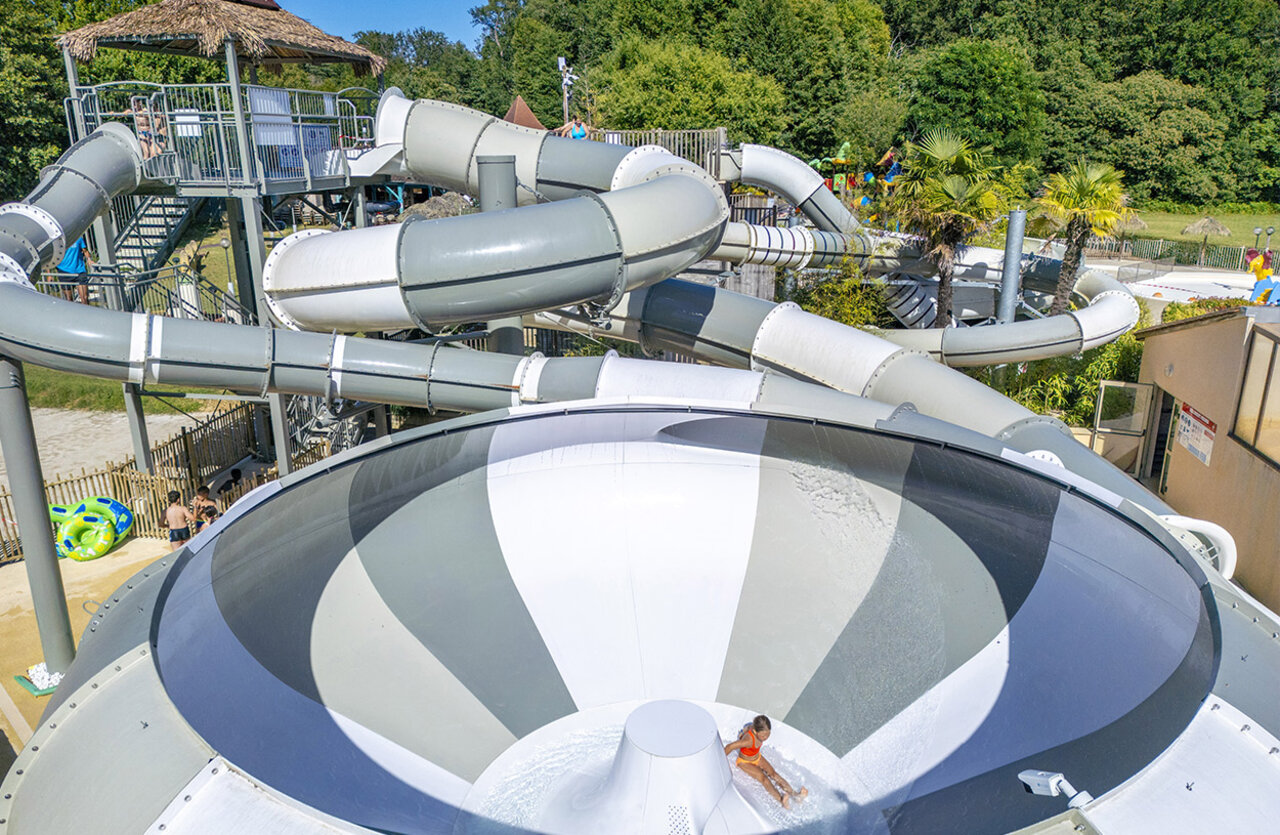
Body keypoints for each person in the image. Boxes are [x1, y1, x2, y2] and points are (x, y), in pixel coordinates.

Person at [724, 715, 808, 808]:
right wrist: (720, 759)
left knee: (773, 774)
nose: (766, 737)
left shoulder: (757, 729)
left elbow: (751, 726)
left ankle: (795, 796)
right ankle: (781, 800)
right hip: (744, 762)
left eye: (768, 735)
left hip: (756, 757)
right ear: (755, 732)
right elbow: (730, 746)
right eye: (763, 735)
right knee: (763, 778)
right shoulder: (748, 740)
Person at [55, 236, 92, 304]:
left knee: (84, 298)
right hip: (64, 271)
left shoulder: (78, 238)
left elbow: (85, 251)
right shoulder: (58, 240)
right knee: (69, 300)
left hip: (79, 270)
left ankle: (86, 313)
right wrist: (49, 274)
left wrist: (89, 259)